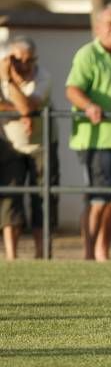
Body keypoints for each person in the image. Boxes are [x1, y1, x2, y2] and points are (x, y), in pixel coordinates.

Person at [66, 4, 111, 261]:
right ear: (98, 27)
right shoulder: (88, 54)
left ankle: (102, 252)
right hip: (96, 141)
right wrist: (89, 106)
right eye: (110, 23)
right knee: (98, 199)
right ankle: (88, 254)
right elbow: (72, 89)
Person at [0, 36, 58, 259]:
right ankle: (12, 257)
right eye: (17, 59)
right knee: (10, 199)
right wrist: (18, 108)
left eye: (28, 60)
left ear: (35, 59)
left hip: (42, 145)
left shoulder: (44, 78)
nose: (23, 65)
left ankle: (42, 255)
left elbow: (27, 107)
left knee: (43, 200)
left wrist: (9, 80)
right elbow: (22, 109)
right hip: (10, 145)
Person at [0, 47, 32, 260]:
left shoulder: (9, 81)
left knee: (10, 199)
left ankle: (11, 257)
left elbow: (25, 108)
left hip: (6, 147)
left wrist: (7, 78)